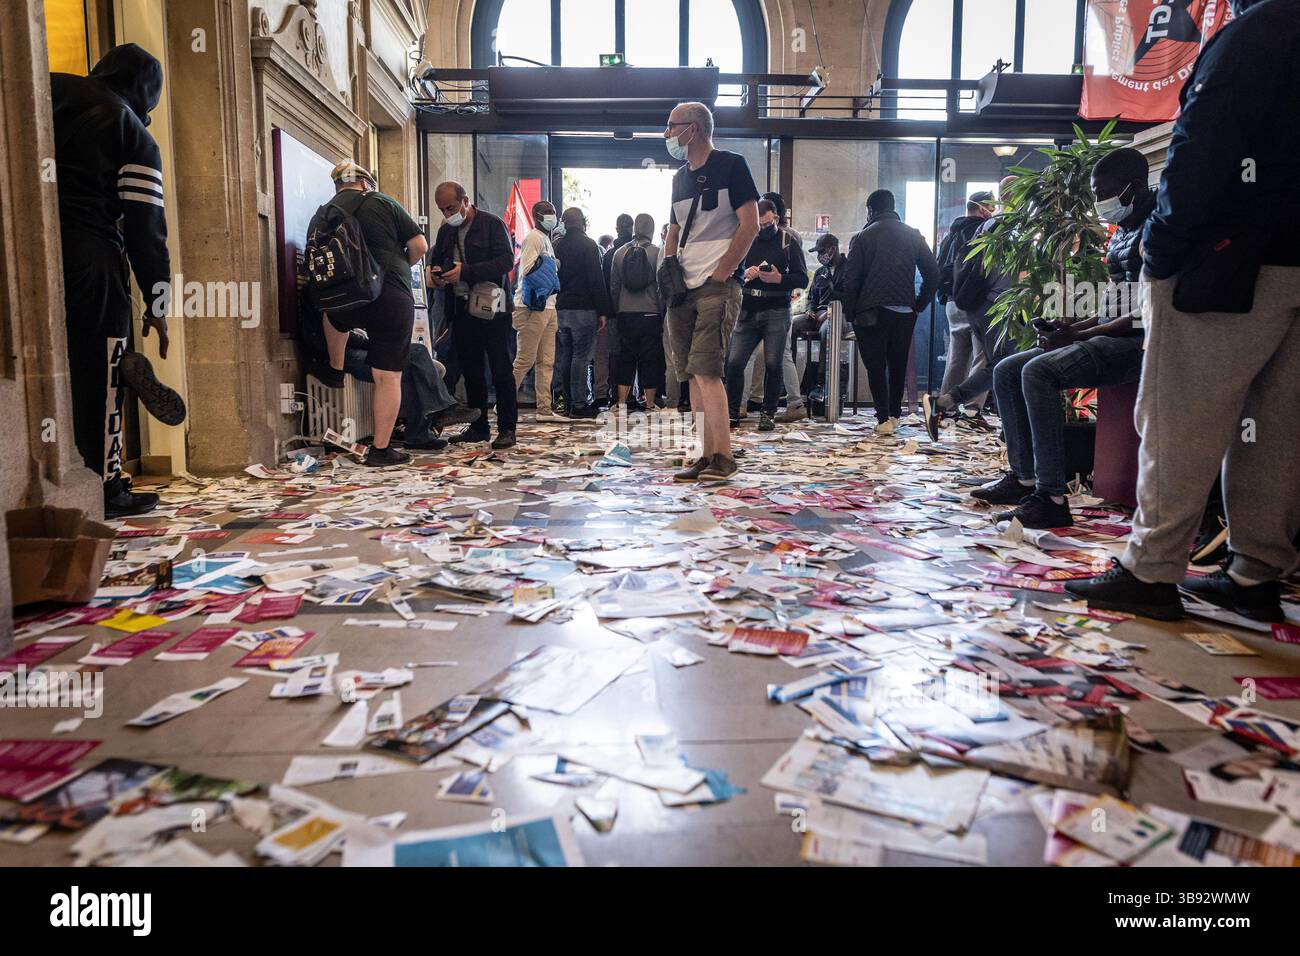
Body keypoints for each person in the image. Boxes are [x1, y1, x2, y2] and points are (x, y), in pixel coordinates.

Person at [1066, 0, 1300, 623]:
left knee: (1179, 416)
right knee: (1275, 428)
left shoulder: (1253, 35)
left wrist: (1163, 248)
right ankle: (1254, 574)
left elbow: (1203, 145)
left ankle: (1153, 565)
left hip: (1227, 261)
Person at [973, 148, 1156, 528]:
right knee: (1007, 369)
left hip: (1139, 345)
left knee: (1037, 373)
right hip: (1112, 336)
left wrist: (1077, 334)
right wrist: (1069, 328)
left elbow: (1145, 311)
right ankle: (1023, 477)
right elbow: (1115, 304)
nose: (1099, 202)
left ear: (1134, 186)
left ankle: (1051, 496)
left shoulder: (1156, 228)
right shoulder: (1123, 230)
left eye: (1105, 192)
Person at [51, 44, 188, 517]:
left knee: (42, 370)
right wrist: (158, 303)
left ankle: (49, 473)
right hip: (91, 254)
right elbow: (145, 227)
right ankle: (106, 485)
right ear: (147, 94)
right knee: (102, 370)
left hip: (30, 249)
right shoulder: (132, 132)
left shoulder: (48, 89)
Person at [308, 161, 429, 466]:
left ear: (338, 186)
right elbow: (419, 245)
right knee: (387, 376)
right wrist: (400, 265)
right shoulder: (382, 202)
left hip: (342, 296)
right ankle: (381, 449)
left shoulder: (323, 213)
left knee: (332, 316)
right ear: (365, 182)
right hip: (389, 294)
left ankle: (335, 368)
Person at [662, 101, 759, 481]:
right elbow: (673, 228)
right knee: (691, 373)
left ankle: (724, 456)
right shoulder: (679, 179)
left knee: (707, 370)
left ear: (694, 129)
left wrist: (723, 272)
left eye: (672, 126)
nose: (668, 134)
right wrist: (670, 265)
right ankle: (704, 454)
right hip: (682, 287)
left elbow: (748, 225)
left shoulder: (731, 166)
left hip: (715, 285)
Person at [923, 175, 1019, 439]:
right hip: (993, 304)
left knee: (969, 357)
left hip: (965, 302)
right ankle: (968, 410)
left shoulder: (968, 229)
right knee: (996, 362)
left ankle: (946, 404)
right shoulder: (1003, 225)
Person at [839, 188, 940, 436]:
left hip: (871, 312)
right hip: (904, 311)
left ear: (871, 210)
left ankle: (882, 418)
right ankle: (895, 415)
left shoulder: (863, 237)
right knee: (898, 364)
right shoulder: (913, 235)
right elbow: (933, 274)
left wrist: (851, 314)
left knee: (875, 366)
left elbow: (851, 280)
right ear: (893, 207)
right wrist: (918, 304)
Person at [301, 313, 479, 450]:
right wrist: (378, 344)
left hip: (350, 349)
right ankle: (438, 412)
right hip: (343, 354)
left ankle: (421, 430)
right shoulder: (330, 297)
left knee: (412, 366)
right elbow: (340, 334)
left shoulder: (331, 293)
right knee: (416, 354)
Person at [429, 180, 517, 449]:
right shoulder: (446, 231)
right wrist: (437, 273)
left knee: (501, 369)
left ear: (466, 201)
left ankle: (507, 429)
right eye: (443, 210)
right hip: (461, 309)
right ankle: (479, 428)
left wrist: (465, 271)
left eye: (451, 207)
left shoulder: (491, 224)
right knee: (472, 370)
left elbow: (506, 261)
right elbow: (439, 259)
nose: (447, 214)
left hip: (493, 309)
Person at [725, 199, 808, 430]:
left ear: (776, 220)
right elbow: (728, 271)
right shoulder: (744, 238)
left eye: (766, 224)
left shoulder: (787, 241)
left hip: (777, 308)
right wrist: (745, 274)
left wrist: (780, 279)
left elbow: (802, 278)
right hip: (747, 308)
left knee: (774, 362)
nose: (761, 230)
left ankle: (768, 413)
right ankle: (732, 412)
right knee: (734, 363)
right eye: (757, 225)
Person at [934, 191, 996, 427]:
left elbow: (939, 268)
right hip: (976, 302)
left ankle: (944, 408)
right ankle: (971, 411)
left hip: (953, 301)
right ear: (983, 208)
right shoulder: (983, 232)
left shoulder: (951, 234)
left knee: (957, 356)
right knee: (982, 356)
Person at [552, 207, 612, 418]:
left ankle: (562, 403)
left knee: (564, 357)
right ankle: (578, 404)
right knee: (581, 357)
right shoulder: (589, 245)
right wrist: (603, 311)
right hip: (584, 309)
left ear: (564, 223)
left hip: (561, 309)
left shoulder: (557, 245)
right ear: (583, 222)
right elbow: (596, 280)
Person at [511, 200, 565, 423]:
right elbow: (529, 270)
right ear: (536, 216)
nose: (551, 216)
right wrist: (553, 266)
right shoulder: (533, 237)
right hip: (532, 306)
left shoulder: (546, 239)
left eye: (553, 212)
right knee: (525, 360)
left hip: (548, 307)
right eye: (546, 212)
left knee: (546, 361)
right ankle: (503, 402)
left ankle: (544, 408)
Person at [610, 213, 666, 412]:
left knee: (626, 357)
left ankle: (622, 403)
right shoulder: (657, 253)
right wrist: (661, 313)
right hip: (650, 314)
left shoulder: (619, 253)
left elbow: (614, 287)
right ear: (651, 229)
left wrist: (618, 311)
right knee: (650, 358)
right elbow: (662, 288)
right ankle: (650, 403)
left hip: (626, 313)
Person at [797, 231, 849, 410]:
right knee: (792, 325)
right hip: (817, 313)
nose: (820, 256)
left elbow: (852, 297)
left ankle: (821, 382)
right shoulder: (820, 272)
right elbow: (811, 297)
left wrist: (830, 310)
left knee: (828, 330)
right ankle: (789, 381)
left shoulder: (849, 269)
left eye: (822, 252)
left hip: (838, 314)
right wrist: (810, 310)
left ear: (833, 250)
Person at [601, 213, 636, 409]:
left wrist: (608, 311)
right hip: (642, 312)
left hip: (615, 312)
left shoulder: (610, 254)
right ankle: (633, 395)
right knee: (636, 354)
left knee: (615, 354)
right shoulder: (647, 251)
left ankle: (616, 395)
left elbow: (608, 285)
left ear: (616, 229)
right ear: (631, 228)